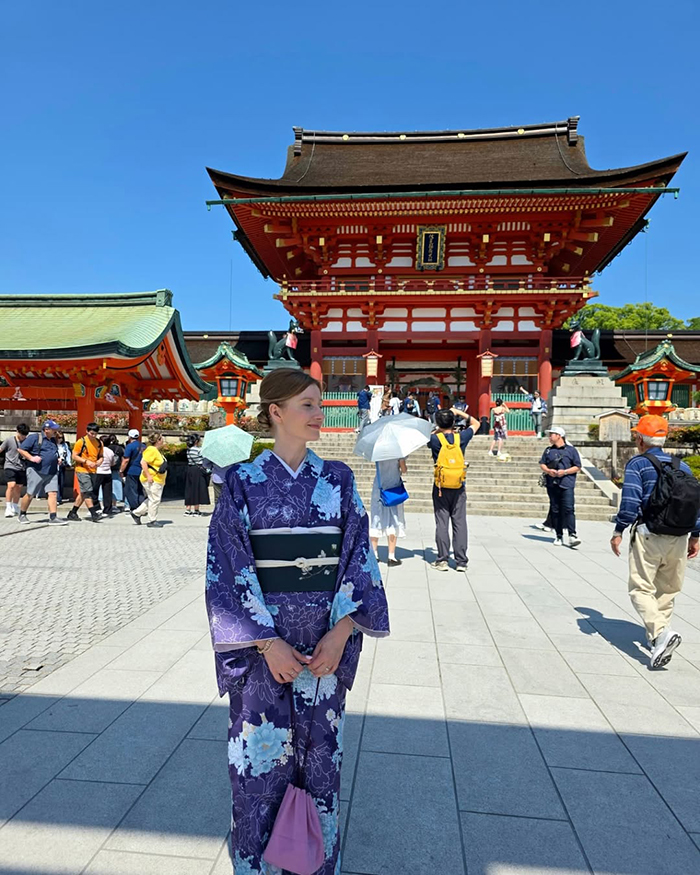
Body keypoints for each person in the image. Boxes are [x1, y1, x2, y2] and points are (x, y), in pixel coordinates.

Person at [206, 368, 389, 875]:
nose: (318, 413)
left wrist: (342, 631)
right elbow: (228, 568)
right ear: (276, 413)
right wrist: (267, 643)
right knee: (257, 764)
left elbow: (359, 559)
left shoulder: (338, 478)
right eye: (307, 405)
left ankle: (313, 861)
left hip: (323, 651)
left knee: (321, 766)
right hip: (265, 653)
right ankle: (257, 863)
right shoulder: (241, 482)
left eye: (319, 404)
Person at [610, 415, 700, 669]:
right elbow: (694, 504)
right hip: (679, 536)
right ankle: (657, 641)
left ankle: (661, 634)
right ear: (665, 438)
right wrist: (696, 536)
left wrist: (618, 531)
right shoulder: (682, 467)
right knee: (667, 590)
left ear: (639, 438)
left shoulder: (638, 464)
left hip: (649, 534)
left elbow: (630, 502)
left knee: (640, 589)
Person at [428, 407, 475, 571]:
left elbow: (429, 437)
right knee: (459, 522)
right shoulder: (461, 437)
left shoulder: (434, 440)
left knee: (442, 522)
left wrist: (436, 429)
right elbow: (476, 423)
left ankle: (442, 560)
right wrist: (459, 412)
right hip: (459, 485)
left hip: (440, 485)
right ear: (453, 422)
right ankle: (461, 561)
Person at [16, 419, 68, 525]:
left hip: (52, 471)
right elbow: (21, 450)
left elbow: (52, 452)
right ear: (46, 429)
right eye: (54, 429)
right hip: (36, 470)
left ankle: (53, 517)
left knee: (53, 493)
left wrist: (56, 459)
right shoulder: (35, 437)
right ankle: (22, 514)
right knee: (30, 493)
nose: (56, 431)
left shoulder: (53, 440)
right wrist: (31, 458)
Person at [539, 427, 581, 548]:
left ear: (559, 436)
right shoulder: (548, 451)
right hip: (552, 483)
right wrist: (548, 470)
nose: (549, 437)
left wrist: (565, 472)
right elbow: (542, 463)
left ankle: (572, 534)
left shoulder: (571, 450)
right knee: (555, 509)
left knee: (569, 508)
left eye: (551, 434)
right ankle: (558, 535)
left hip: (567, 483)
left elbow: (577, 466)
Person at [370, 458, 408, 566]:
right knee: (394, 519)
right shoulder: (398, 452)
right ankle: (391, 556)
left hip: (379, 487)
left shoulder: (378, 451)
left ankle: (375, 554)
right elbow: (404, 470)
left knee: (376, 518)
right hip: (393, 487)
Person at [67, 422, 103, 522]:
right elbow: (74, 456)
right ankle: (93, 513)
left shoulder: (99, 443)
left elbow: (101, 456)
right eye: (91, 433)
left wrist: (99, 461)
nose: (93, 435)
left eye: (95, 434)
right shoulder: (81, 442)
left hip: (93, 470)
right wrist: (86, 461)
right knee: (88, 491)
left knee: (83, 492)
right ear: (87, 431)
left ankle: (73, 512)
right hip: (82, 469)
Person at [130, 432, 168, 528]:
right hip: (153, 478)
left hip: (157, 478)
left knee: (151, 498)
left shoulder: (156, 450)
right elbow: (143, 462)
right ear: (158, 440)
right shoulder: (151, 450)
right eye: (161, 439)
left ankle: (136, 513)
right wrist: (148, 476)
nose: (163, 440)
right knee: (155, 499)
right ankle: (152, 520)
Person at [1, 422, 29, 517]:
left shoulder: (27, 441)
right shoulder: (9, 440)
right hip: (10, 466)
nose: (23, 437)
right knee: (11, 486)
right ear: (17, 431)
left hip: (21, 467)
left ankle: (15, 506)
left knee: (19, 487)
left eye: (25, 435)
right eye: (22, 434)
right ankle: (8, 507)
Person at [184, 433, 210, 516]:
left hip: (190, 469)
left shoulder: (188, 450)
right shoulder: (199, 450)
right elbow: (204, 460)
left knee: (189, 488)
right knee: (197, 489)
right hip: (198, 470)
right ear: (197, 441)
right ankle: (196, 509)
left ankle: (188, 509)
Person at [121, 428, 145, 511]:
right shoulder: (144, 446)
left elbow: (126, 460)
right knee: (140, 489)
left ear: (129, 437)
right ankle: (142, 506)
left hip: (131, 470)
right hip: (142, 470)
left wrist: (121, 470)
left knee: (131, 490)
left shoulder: (129, 446)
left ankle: (135, 507)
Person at [93, 436, 115, 516]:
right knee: (107, 492)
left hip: (98, 472)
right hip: (108, 472)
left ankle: (96, 508)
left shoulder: (97, 450)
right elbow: (113, 463)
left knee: (94, 491)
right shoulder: (110, 451)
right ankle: (108, 509)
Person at [55, 430, 70, 506]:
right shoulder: (53, 445)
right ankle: (57, 498)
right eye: (58, 437)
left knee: (61, 482)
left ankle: (60, 497)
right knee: (56, 482)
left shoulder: (65, 445)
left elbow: (68, 454)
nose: (60, 439)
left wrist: (69, 463)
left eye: (61, 437)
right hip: (55, 465)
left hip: (62, 464)